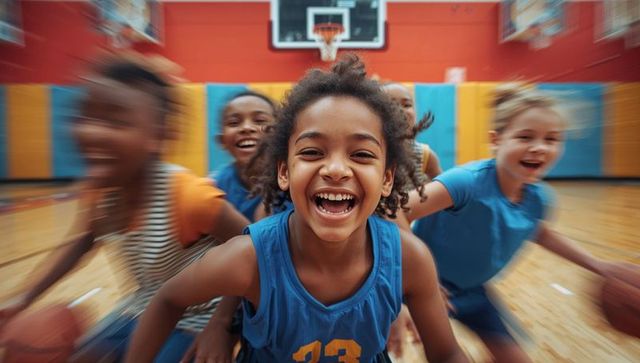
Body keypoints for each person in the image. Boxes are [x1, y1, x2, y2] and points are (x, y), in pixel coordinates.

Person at [125, 55, 468, 363]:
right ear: (284, 172)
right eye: (312, 152)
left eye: (361, 154)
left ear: (388, 179)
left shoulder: (409, 259)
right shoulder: (251, 258)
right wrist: (219, 325)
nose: (336, 169)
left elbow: (447, 352)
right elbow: (169, 298)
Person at [0, 54, 249, 362]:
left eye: (116, 121)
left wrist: (223, 325)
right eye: (85, 116)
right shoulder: (100, 190)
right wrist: (22, 298)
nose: (92, 132)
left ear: (158, 135)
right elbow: (82, 242)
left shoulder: (186, 196)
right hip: (143, 305)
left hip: (199, 316)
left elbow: (252, 247)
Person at [403, 84, 633, 362]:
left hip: (474, 290)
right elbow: (396, 214)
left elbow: (540, 232)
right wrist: (414, 281)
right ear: (496, 139)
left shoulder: (539, 199)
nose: (538, 148)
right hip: (423, 287)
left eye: (552, 139)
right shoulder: (465, 182)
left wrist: (599, 266)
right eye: (525, 137)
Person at [210, 90, 277, 222]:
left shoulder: (290, 183)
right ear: (221, 141)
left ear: (279, 134)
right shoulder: (215, 186)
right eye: (234, 123)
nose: (246, 128)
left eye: (259, 120)